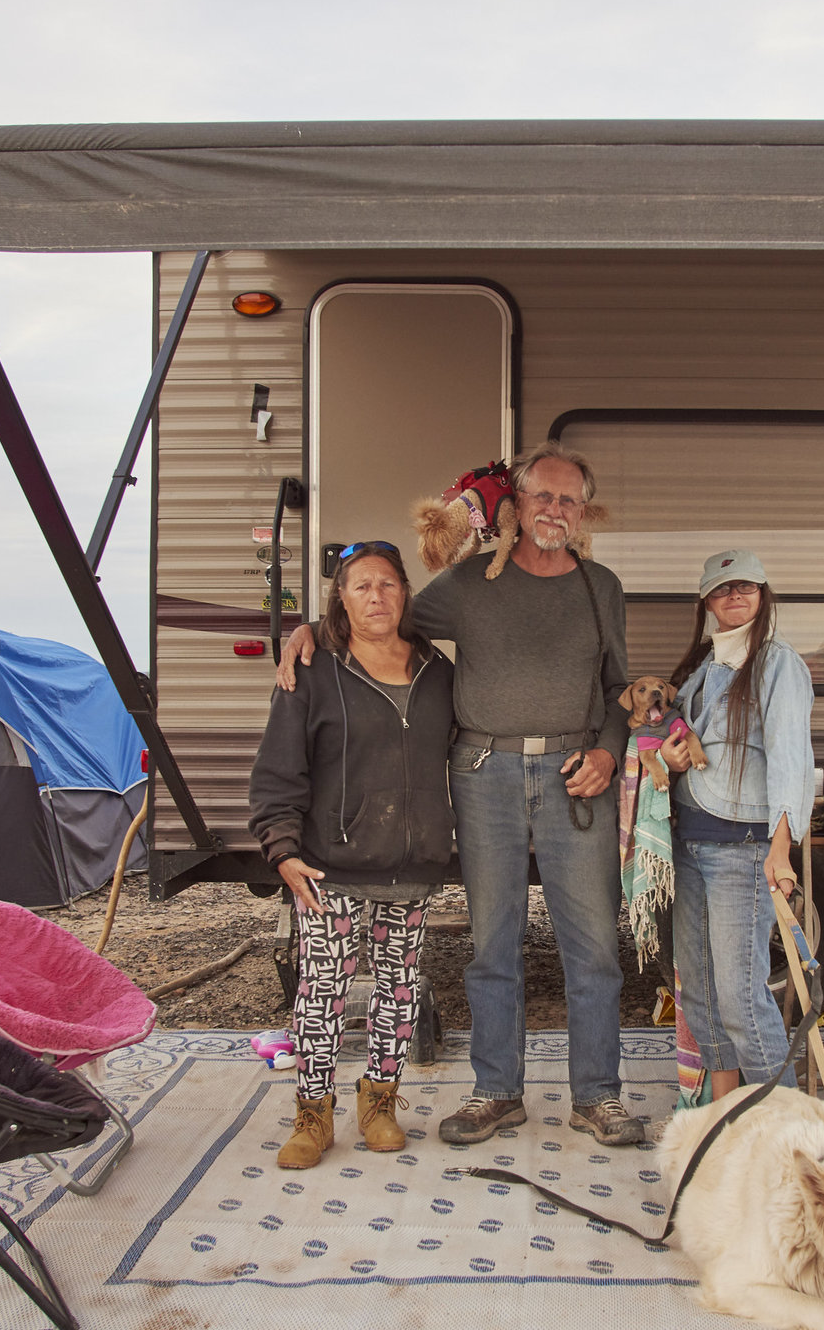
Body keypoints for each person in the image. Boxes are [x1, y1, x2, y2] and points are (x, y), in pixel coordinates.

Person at [281, 441, 642, 1147]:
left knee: (595, 945)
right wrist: (307, 631)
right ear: (518, 502)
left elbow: (617, 689)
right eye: (543, 495)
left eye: (569, 499)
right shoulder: (471, 581)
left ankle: (597, 1095)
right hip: (484, 774)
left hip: (577, 773)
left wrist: (609, 748)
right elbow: (382, 618)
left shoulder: (602, 586)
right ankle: (496, 1091)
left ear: (581, 511)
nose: (555, 510)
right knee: (493, 943)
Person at [248, 542, 456, 1169]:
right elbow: (280, 767)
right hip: (329, 869)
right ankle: (313, 1114)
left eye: (388, 584)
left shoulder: (437, 671)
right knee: (323, 994)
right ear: (341, 597)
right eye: (361, 586)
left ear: (405, 594)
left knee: (399, 993)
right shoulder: (313, 669)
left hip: (413, 866)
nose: (376, 597)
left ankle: (380, 1104)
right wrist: (280, 847)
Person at [667, 549, 818, 1098]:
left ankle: (788, 1120)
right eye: (723, 587)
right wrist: (671, 758)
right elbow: (674, 745)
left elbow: (791, 762)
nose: (735, 595)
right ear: (706, 600)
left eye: (746, 586)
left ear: (762, 594)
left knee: (739, 996)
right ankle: (725, 1113)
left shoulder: (780, 665)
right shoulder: (702, 672)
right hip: (690, 844)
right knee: (701, 993)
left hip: (744, 847)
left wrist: (782, 851)